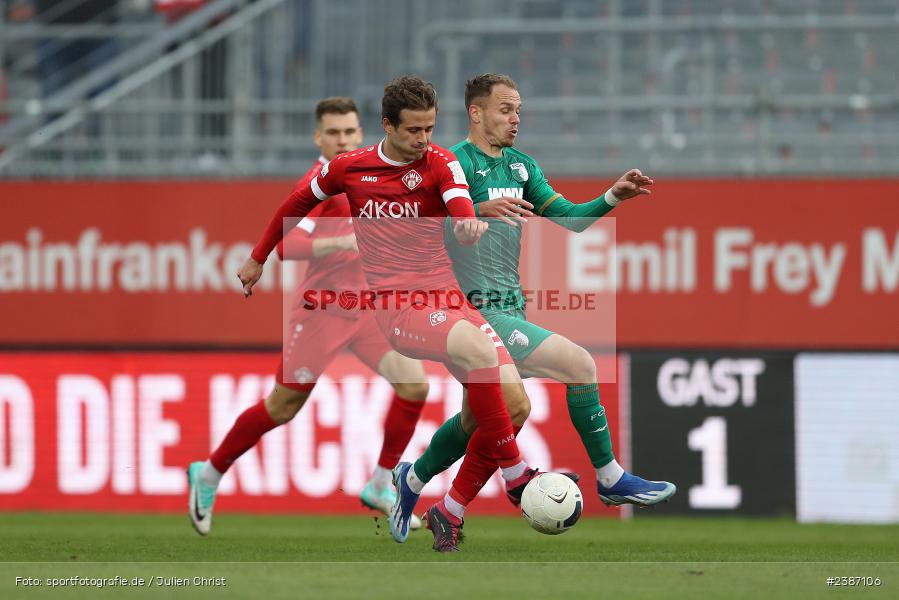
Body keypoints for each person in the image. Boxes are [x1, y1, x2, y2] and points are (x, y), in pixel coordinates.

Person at [236, 76, 543, 552]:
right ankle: (516, 473)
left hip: (448, 299)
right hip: (398, 307)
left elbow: (459, 206)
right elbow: (296, 204)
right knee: (480, 351)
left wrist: (465, 226)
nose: (424, 140)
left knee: (516, 405)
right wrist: (259, 258)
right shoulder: (350, 168)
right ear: (387, 126)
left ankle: (421, 488)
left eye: (430, 129)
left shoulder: (441, 163)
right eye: (414, 131)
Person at [426, 73, 676, 522]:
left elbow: (571, 220)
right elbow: (421, 228)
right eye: (506, 109)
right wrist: (474, 209)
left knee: (474, 422)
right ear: (476, 112)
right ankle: (611, 477)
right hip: (472, 316)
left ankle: (427, 492)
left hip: (508, 308)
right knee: (580, 364)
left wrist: (611, 197)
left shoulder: (522, 167)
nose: (516, 119)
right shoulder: (451, 165)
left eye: (519, 110)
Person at [187, 97, 430, 535]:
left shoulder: (374, 173)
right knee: (282, 407)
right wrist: (341, 244)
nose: (343, 139)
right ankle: (209, 472)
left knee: (414, 385)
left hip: (368, 310)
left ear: (364, 132)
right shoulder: (322, 182)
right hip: (322, 310)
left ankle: (380, 483)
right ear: (318, 137)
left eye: (350, 132)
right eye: (334, 133)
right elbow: (287, 244)